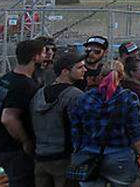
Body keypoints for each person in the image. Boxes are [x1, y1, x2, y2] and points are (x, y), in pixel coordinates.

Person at [69, 61, 140, 187]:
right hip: (119, 155)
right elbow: (135, 130)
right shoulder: (129, 98)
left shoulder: (84, 98)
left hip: (89, 155)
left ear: (100, 77)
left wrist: (78, 148)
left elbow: (76, 128)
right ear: (121, 77)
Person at [0, 38, 46, 186]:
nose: (46, 56)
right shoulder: (25, 85)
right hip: (12, 149)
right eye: (43, 53)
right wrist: (25, 141)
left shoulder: (5, 78)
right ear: (35, 57)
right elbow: (8, 118)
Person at [30, 50, 86, 186]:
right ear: (65, 71)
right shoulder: (75, 95)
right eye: (79, 67)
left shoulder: (39, 93)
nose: (84, 70)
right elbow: (80, 129)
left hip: (41, 157)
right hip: (64, 159)